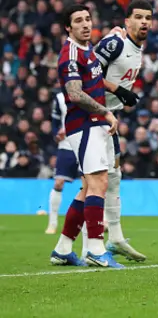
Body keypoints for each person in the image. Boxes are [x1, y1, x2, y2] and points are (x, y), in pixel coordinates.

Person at [51, 4, 121, 268]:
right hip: (84, 125)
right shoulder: (69, 54)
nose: (85, 24)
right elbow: (75, 93)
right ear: (68, 28)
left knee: (87, 189)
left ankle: (63, 248)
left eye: (88, 19)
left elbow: (95, 80)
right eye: (78, 21)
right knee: (98, 182)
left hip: (95, 125)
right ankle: (95, 248)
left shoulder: (88, 50)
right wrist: (106, 112)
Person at [92, 0, 151, 262]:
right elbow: (87, 74)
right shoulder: (115, 43)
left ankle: (114, 237)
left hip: (108, 117)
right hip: (91, 116)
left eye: (148, 18)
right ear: (127, 21)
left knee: (113, 176)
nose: (144, 22)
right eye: (138, 17)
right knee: (95, 182)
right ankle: (87, 245)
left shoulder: (138, 48)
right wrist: (118, 90)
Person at [45, 90, 80, 235]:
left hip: (87, 143)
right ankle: (52, 223)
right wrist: (56, 134)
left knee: (93, 183)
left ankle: (100, 221)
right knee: (58, 183)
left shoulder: (90, 91)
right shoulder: (60, 98)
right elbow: (55, 121)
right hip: (66, 146)